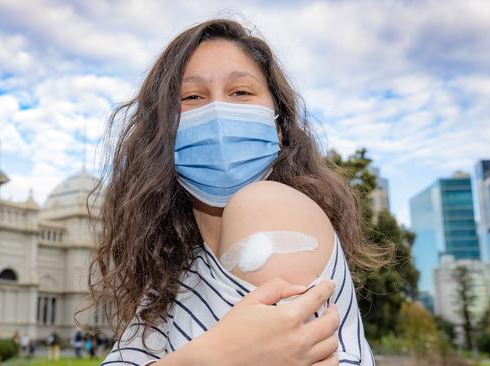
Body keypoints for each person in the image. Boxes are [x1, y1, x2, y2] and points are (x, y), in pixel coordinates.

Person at [92, 18, 390, 366]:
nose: (218, 111)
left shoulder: (270, 209)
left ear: (278, 129)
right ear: (162, 133)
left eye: (241, 92)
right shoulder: (173, 280)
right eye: (192, 96)